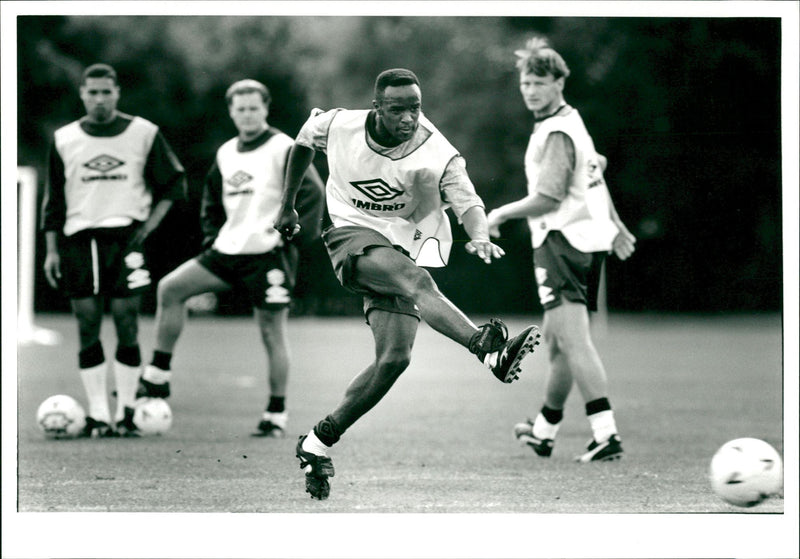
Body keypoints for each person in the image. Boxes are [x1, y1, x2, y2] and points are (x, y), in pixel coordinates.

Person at [275, 68, 541, 500]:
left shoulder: (438, 153)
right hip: (348, 230)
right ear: (376, 106)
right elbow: (303, 141)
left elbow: (468, 200)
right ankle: (487, 350)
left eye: (415, 107)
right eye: (398, 109)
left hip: (400, 245)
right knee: (417, 281)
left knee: (394, 359)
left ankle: (317, 441)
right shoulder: (339, 124)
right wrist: (286, 206)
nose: (408, 117)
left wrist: (479, 236)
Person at [136, 79, 324, 438]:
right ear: (231, 111)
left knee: (271, 332)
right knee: (170, 289)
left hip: (268, 255)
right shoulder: (225, 153)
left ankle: (275, 414)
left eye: (254, 107)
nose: (248, 114)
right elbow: (210, 198)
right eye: (241, 108)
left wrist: (296, 241)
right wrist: (211, 235)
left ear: (265, 108)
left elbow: (314, 193)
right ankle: (158, 376)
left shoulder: (284, 146)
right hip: (226, 252)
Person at [487, 38, 637, 462]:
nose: (530, 90)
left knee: (573, 342)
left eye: (538, 82)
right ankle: (544, 430)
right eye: (524, 83)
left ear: (558, 84)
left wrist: (500, 214)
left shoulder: (555, 131)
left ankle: (605, 433)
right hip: (588, 244)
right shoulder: (573, 122)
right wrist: (617, 225)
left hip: (561, 243)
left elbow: (550, 197)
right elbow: (596, 173)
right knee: (556, 343)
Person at [41, 63, 187, 437]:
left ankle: (125, 413)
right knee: (88, 324)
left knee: (126, 322)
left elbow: (174, 183)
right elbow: (54, 200)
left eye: (106, 91)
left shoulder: (143, 132)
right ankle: (98, 414)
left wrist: (149, 226)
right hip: (79, 240)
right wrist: (52, 251)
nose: (100, 99)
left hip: (126, 239)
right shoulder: (64, 138)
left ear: (117, 92)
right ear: (82, 94)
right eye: (92, 92)